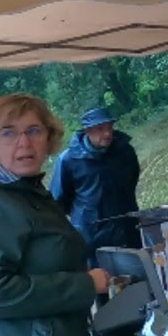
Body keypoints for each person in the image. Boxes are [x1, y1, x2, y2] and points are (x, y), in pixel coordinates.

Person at [0, 94, 111, 336]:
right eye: (7, 133)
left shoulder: (27, 193)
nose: (23, 143)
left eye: (33, 130)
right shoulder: (3, 201)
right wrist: (84, 285)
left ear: (50, 138)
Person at [49, 107, 142, 257]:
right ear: (87, 131)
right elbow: (57, 201)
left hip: (128, 228)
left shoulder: (125, 151)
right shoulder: (68, 160)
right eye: (100, 129)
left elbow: (132, 179)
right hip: (91, 235)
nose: (107, 134)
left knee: (138, 273)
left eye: (109, 128)